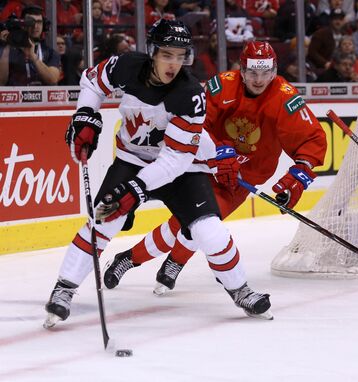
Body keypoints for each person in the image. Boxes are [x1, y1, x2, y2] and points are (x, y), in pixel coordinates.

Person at [43, 20, 273, 329]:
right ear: (152, 51)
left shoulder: (190, 94)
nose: (174, 63)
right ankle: (64, 289)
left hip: (179, 168)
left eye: (181, 56)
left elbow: (176, 160)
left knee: (209, 228)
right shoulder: (127, 65)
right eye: (167, 54)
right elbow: (92, 83)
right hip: (131, 159)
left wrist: (137, 188)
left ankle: (240, 289)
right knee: (102, 221)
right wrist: (86, 113)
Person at [102, 40, 327, 296]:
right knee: (190, 222)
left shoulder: (285, 97)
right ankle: (136, 260)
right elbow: (195, 122)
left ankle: (161, 261)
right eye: (253, 72)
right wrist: (217, 151)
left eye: (265, 72)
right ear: (242, 69)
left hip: (241, 178)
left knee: (191, 225)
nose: (259, 79)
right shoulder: (222, 85)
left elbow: (312, 139)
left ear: (274, 70)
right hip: (204, 165)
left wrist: (300, 173)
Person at [0, 5, 60, 86]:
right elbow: (1, 82)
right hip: (15, 97)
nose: (35, 26)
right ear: (22, 25)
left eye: (39, 22)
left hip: (43, 98)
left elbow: (53, 79)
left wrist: (32, 56)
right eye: (30, 22)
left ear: (44, 25)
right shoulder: (8, 50)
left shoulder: (50, 52)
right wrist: (7, 46)